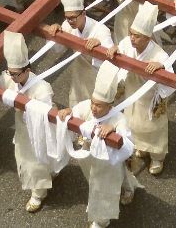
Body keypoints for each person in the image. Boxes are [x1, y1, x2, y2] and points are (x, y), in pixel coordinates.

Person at [59, 61, 138, 227]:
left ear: (109, 106)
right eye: (92, 103)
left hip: (108, 162)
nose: (94, 108)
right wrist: (68, 112)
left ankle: (102, 220)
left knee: (106, 187)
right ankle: (129, 188)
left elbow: (129, 145)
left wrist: (113, 131)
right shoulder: (87, 107)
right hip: (88, 154)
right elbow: (75, 112)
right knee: (95, 180)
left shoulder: (119, 119)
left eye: (99, 105)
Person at [0, 31, 58, 213]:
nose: (12, 78)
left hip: (37, 131)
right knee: (26, 158)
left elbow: (43, 114)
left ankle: (39, 193)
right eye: (10, 73)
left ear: (27, 70)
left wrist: (22, 105)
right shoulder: (10, 78)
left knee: (35, 161)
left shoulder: (42, 88)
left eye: (16, 74)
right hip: (22, 129)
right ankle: (47, 178)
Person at [115, 2, 174, 177]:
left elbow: (171, 78)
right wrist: (114, 50)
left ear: (148, 38)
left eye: (138, 36)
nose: (132, 38)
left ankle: (157, 156)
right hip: (132, 92)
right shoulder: (127, 43)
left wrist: (160, 67)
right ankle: (141, 146)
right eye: (131, 34)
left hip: (150, 97)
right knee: (132, 121)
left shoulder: (159, 55)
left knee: (152, 126)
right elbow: (119, 52)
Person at [41, 0, 114, 105]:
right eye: (68, 18)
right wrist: (54, 33)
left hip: (97, 76)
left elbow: (110, 62)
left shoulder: (101, 30)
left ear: (84, 13)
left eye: (74, 17)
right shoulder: (68, 24)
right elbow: (57, 49)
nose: (71, 21)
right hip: (79, 74)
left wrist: (99, 47)